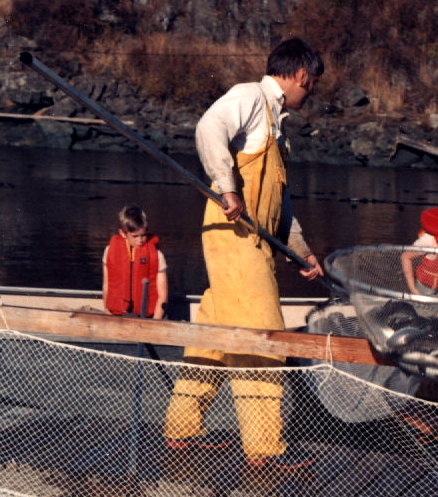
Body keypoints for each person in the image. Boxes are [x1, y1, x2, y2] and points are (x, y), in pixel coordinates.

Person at [164, 37, 324, 468]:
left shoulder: (277, 126)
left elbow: (280, 205)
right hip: (234, 237)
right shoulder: (251, 96)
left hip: (250, 243)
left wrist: (301, 251)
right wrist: (228, 188)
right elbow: (208, 128)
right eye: (311, 86)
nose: (310, 94)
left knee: (213, 337)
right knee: (264, 336)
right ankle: (264, 449)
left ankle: (181, 431)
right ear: (301, 76)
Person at [102, 205, 168, 319]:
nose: (140, 240)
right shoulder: (109, 251)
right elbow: (107, 286)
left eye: (143, 235)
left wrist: (155, 322)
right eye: (135, 236)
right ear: (123, 233)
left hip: (149, 316)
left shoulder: (157, 255)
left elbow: (163, 296)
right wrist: (107, 314)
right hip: (118, 315)